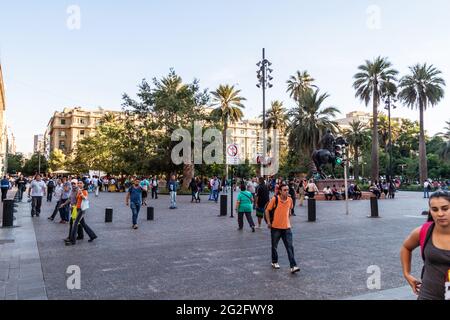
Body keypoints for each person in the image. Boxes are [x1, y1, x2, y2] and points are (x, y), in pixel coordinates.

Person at [400, 191, 450, 300]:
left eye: (445, 208)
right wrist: (407, 274)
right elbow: (406, 247)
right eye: (435, 209)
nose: (440, 214)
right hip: (428, 295)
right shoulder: (424, 231)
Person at [265, 184, 300, 274]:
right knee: (274, 246)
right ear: (280, 191)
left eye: (287, 190)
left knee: (290, 247)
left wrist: (288, 221)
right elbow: (267, 210)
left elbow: (290, 211)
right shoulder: (275, 199)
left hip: (287, 228)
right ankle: (274, 261)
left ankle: (293, 266)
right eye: (284, 190)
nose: (287, 191)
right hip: (275, 227)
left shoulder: (290, 200)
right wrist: (269, 222)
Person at [65, 180, 97, 245]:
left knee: (75, 224)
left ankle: (72, 241)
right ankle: (92, 235)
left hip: (81, 210)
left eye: (81, 183)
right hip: (77, 208)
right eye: (78, 183)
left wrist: (82, 194)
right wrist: (73, 205)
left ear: (83, 184)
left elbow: (85, 198)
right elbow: (77, 200)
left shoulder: (84, 191)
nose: (79, 184)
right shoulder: (79, 191)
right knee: (83, 224)